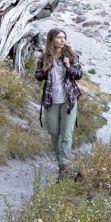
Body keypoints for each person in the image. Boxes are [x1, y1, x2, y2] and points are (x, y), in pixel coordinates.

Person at [35, 28, 83, 178]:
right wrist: (44, 70)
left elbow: (79, 74)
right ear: (51, 40)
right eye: (59, 37)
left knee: (66, 135)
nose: (62, 40)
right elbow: (38, 76)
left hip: (69, 100)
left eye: (64, 37)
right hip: (51, 100)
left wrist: (69, 67)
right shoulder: (44, 57)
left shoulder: (71, 56)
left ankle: (63, 166)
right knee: (54, 134)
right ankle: (63, 163)